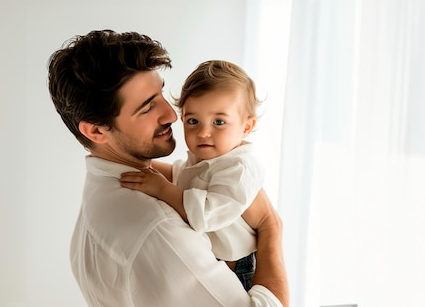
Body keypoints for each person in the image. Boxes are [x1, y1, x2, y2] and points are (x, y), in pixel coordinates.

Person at [48, 29, 289, 307]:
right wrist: (272, 227)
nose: (172, 115)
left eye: (160, 92)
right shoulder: (159, 229)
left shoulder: (100, 192)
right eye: (148, 107)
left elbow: (180, 174)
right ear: (96, 131)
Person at [119, 60, 263, 291]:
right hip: (211, 260)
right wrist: (141, 163)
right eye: (193, 121)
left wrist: (162, 189)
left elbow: (206, 212)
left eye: (219, 122)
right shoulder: (208, 158)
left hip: (237, 267)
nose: (203, 132)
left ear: (246, 127)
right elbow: (181, 175)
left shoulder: (239, 168)